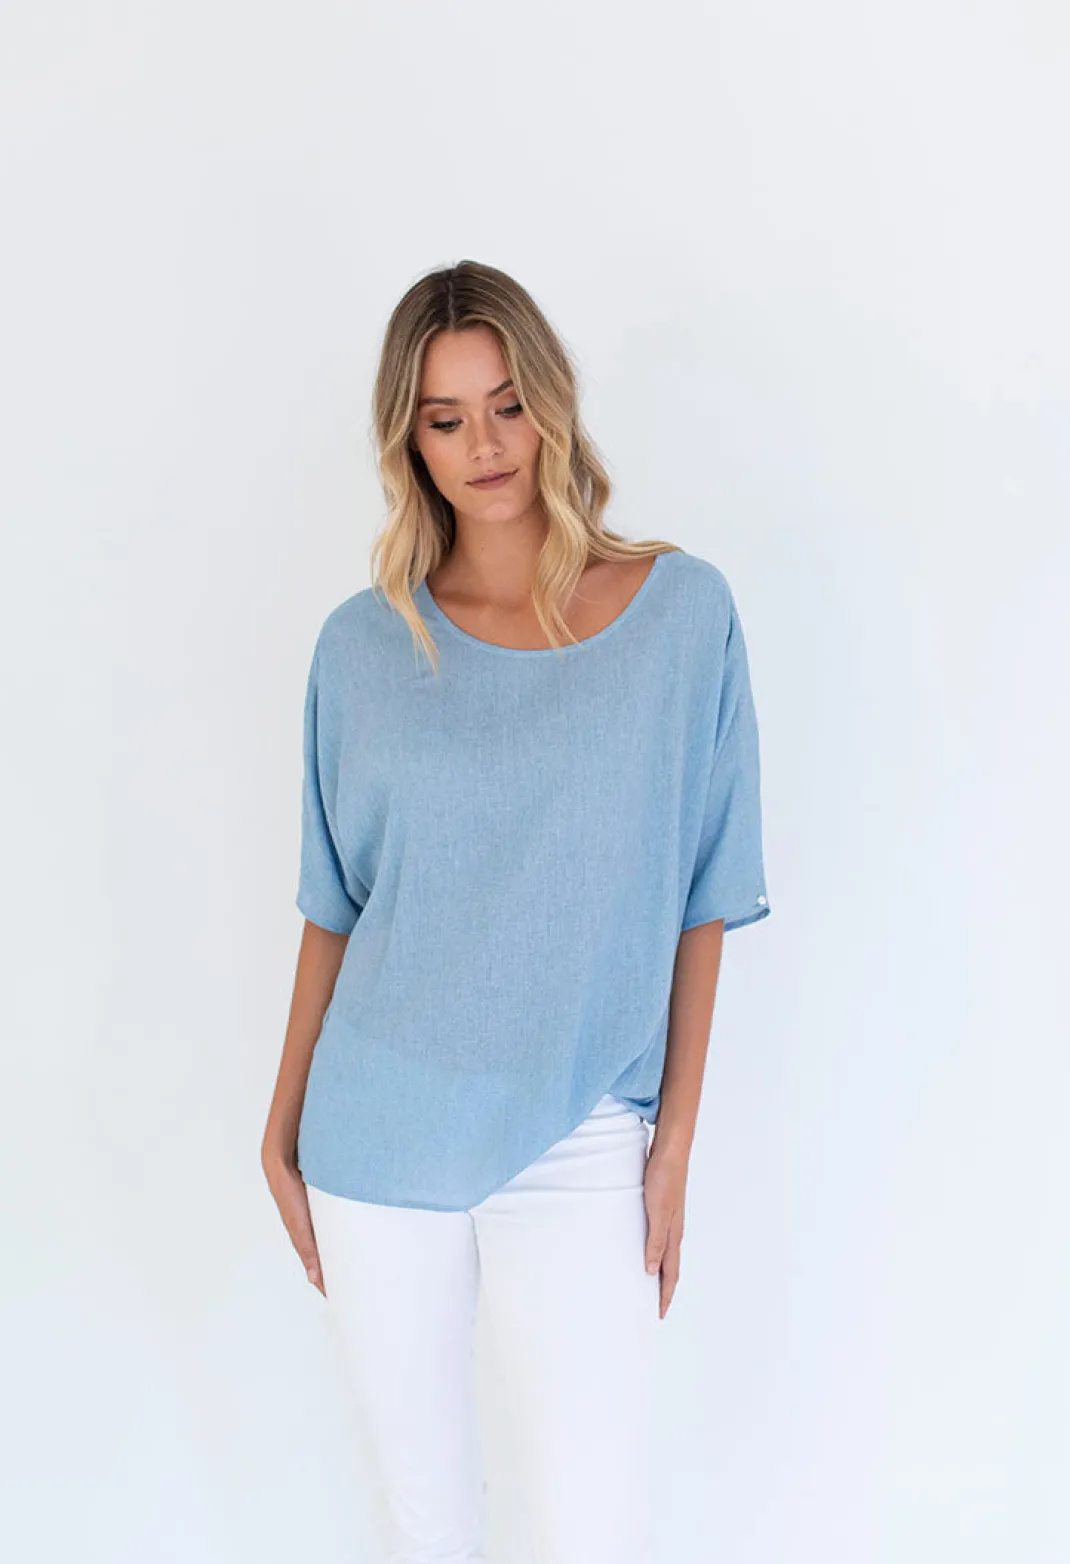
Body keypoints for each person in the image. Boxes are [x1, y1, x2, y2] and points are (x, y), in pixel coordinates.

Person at [261, 258, 771, 1564]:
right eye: (445, 418)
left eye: (506, 405)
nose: (483, 445)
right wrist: (282, 1120)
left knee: (593, 1528)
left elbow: (704, 891)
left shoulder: (680, 616)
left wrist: (673, 1140)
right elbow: (336, 903)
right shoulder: (362, 647)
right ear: (409, 441)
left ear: (551, 404)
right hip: (378, 1134)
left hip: (584, 1129)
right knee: (429, 1529)